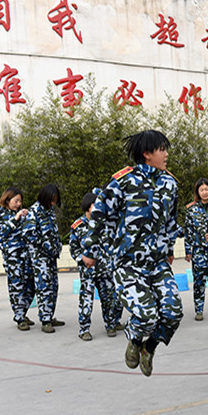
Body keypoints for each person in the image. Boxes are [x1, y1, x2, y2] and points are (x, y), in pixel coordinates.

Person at [81, 130, 183, 377]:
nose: (166, 154)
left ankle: (149, 347)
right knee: (147, 315)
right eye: (162, 149)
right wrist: (90, 249)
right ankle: (135, 340)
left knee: (173, 313)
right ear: (147, 154)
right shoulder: (123, 181)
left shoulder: (170, 184)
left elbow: (170, 221)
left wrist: (169, 248)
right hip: (128, 264)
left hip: (157, 263)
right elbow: (99, 214)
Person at [70, 192, 121, 341]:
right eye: (95, 205)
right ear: (88, 206)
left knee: (109, 299)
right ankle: (84, 329)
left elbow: (112, 244)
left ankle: (110, 325)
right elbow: (74, 249)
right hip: (88, 271)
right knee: (86, 301)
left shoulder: (104, 223)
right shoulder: (78, 226)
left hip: (105, 269)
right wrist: (82, 261)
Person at [0, 187, 36, 331]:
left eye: (20, 201)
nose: (19, 204)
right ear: (7, 199)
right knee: (17, 287)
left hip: (27, 256)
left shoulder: (22, 214)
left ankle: (22, 312)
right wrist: (14, 219)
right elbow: (0, 235)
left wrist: (29, 217)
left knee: (31, 285)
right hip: (12, 258)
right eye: (16, 201)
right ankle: (19, 317)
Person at [23, 184, 64, 334]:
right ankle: (45, 320)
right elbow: (28, 234)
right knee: (44, 287)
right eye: (51, 200)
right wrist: (44, 246)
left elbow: (53, 232)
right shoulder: (34, 211)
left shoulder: (50, 211)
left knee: (53, 286)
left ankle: (50, 316)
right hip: (40, 257)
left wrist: (57, 246)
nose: (53, 203)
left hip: (51, 256)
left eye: (55, 200)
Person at [184, 178, 208, 321]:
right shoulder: (192, 210)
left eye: (207, 189)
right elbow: (188, 231)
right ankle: (199, 311)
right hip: (199, 252)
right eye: (201, 190)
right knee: (199, 282)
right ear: (197, 192)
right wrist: (188, 250)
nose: (204, 192)